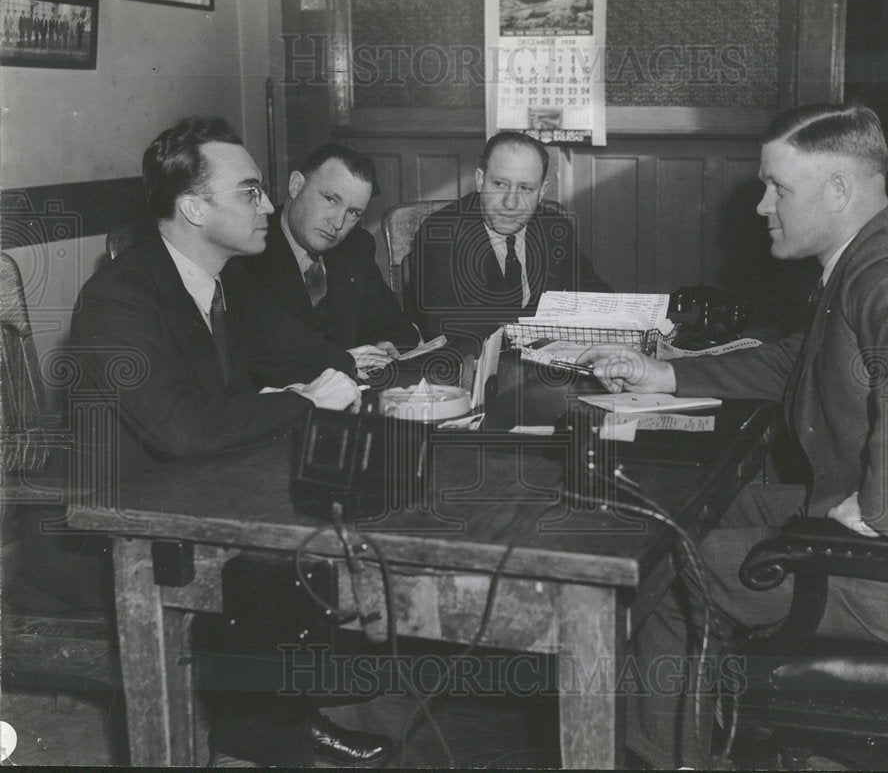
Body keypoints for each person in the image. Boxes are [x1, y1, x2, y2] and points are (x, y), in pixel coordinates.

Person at [578, 103, 888, 768]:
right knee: (682, 514)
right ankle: (687, 735)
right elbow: (795, 359)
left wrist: (879, 507)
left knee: (669, 568)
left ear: (839, 189)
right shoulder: (874, 254)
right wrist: (663, 371)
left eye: (779, 187)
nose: (761, 206)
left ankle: (665, 758)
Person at [70, 117, 393, 767]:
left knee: (344, 524)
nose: (269, 205)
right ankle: (268, 736)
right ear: (193, 207)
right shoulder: (121, 296)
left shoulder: (222, 284)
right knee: (299, 555)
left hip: (205, 497)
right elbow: (182, 428)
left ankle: (283, 723)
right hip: (123, 532)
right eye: (250, 192)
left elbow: (298, 356)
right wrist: (300, 401)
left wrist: (342, 374)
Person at [412, 130, 610, 347]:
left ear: (542, 192)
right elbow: (441, 321)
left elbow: (593, 295)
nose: (510, 202)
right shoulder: (441, 231)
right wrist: (542, 329)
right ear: (480, 181)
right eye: (500, 184)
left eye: (525, 188)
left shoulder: (554, 227)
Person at [245, 141, 419, 359]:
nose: (338, 223)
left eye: (353, 213)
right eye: (330, 199)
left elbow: (396, 326)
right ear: (296, 185)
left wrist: (384, 345)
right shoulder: (249, 248)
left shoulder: (356, 246)